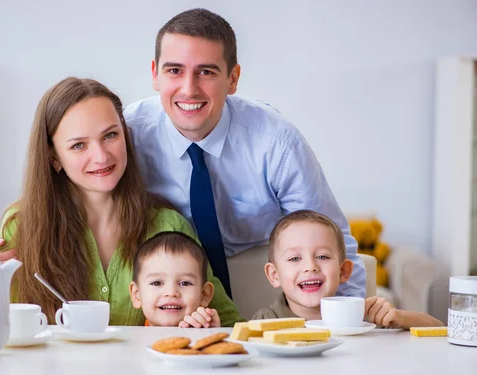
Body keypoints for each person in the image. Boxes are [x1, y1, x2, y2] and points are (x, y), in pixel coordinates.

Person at [124, 8, 366, 298]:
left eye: (206, 72)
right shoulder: (128, 134)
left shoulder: (277, 143)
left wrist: (343, 329)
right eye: (174, 70)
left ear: (233, 78)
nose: (189, 89)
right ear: (155, 74)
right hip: (168, 295)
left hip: (266, 291)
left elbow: (333, 242)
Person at [0, 77, 241, 326]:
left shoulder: (168, 225)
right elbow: (2, 329)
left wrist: (208, 326)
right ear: (53, 157)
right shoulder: (21, 226)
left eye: (110, 135)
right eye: (79, 145)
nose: (101, 156)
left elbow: (231, 325)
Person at [252, 210, 443, 329]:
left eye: (322, 257)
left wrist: (399, 317)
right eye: (295, 258)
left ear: (344, 271)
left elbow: (438, 329)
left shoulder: (362, 315)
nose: (310, 267)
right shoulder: (265, 322)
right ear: (274, 275)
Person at [129, 231, 220, 328]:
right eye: (157, 283)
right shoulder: (131, 340)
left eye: (185, 283)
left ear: (204, 294)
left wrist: (212, 334)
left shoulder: (207, 332)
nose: (171, 292)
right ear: (137, 295)